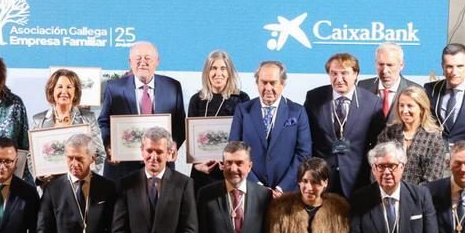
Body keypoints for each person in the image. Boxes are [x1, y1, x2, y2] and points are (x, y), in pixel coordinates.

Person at [98, 41, 186, 184]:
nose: (142, 63)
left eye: (147, 58)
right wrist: (109, 145)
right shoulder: (113, 88)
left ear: (157, 61)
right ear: (130, 62)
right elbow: (104, 121)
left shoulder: (173, 87)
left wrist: (174, 143)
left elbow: (180, 123)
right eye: (138, 58)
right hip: (122, 168)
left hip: (160, 166)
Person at [304, 53, 386, 199]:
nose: (339, 79)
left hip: (358, 180)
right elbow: (307, 138)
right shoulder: (314, 98)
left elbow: (378, 145)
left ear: (355, 74)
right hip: (321, 179)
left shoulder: (373, 103)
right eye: (333, 73)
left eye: (344, 73)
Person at [229, 61, 311, 196]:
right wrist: (257, 186)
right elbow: (234, 150)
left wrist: (281, 187)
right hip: (250, 191)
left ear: (283, 84)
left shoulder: (297, 111)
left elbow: (303, 154)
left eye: (273, 83)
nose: (267, 88)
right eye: (263, 82)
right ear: (257, 83)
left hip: (286, 193)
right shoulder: (243, 110)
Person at [187, 50, 250, 196]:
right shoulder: (196, 100)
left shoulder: (241, 99)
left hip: (231, 171)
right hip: (201, 172)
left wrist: (232, 163)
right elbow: (191, 138)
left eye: (223, 68)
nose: (218, 73)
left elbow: (246, 138)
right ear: (207, 72)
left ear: (229, 72)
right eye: (213, 68)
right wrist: (198, 165)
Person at [32, 68, 105, 176]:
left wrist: (85, 176)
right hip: (49, 185)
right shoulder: (39, 120)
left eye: (69, 87)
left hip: (79, 185)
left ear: (75, 92)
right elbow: (31, 157)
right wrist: (40, 177)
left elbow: (99, 154)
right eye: (60, 87)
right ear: (52, 91)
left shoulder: (88, 119)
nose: (64, 92)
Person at [378, 86, 449, 185]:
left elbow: (432, 179)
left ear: (421, 108)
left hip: (419, 198)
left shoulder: (434, 139)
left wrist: (407, 196)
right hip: (386, 195)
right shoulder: (388, 132)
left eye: (410, 106)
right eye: (401, 105)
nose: (404, 110)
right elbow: (376, 168)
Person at [357, 43, 422, 120]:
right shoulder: (362, 87)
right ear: (375, 64)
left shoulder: (417, 90)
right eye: (381, 64)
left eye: (390, 65)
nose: (384, 71)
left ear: (401, 65)